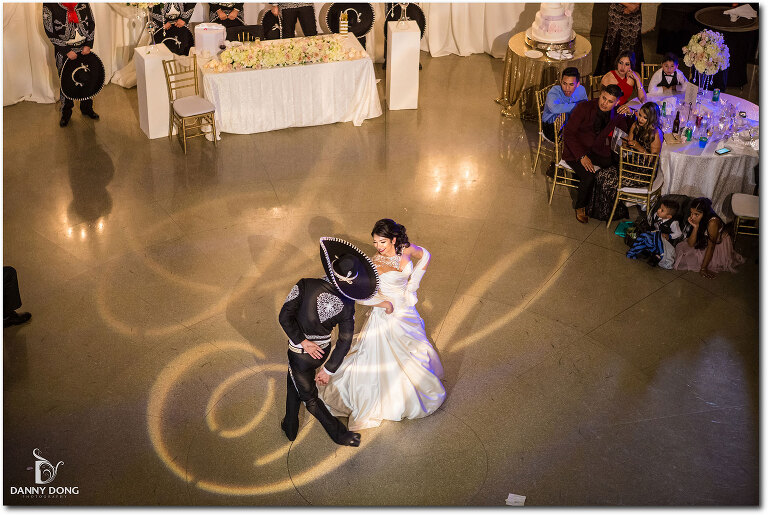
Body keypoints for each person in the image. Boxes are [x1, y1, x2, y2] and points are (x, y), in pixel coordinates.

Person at [318, 219, 446, 431]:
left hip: (405, 309)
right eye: (375, 242)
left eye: (382, 242)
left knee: (415, 348)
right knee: (379, 355)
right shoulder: (374, 263)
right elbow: (358, 295)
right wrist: (383, 303)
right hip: (385, 315)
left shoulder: (405, 249)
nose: (378, 247)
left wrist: (413, 286)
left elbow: (425, 255)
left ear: (394, 240)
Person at [279, 237, 380, 447]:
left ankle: (339, 434)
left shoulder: (305, 284)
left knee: (310, 398)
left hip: (299, 354)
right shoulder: (348, 304)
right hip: (322, 353)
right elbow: (344, 341)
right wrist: (329, 370)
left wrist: (303, 341)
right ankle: (289, 423)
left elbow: (284, 317)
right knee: (294, 382)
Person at [562, 84, 633, 223]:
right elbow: (569, 134)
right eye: (603, 98)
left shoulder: (616, 112)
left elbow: (626, 127)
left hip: (596, 149)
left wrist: (630, 113)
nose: (604, 103)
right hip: (576, 150)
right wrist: (582, 156)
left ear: (617, 102)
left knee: (613, 164)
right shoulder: (584, 107)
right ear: (600, 94)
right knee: (588, 175)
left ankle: (599, 199)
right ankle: (581, 206)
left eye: (610, 101)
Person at [587, 101, 662, 222]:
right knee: (599, 175)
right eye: (640, 115)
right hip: (629, 164)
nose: (641, 119)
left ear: (652, 118)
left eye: (645, 117)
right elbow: (628, 145)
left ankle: (616, 211)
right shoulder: (635, 125)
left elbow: (653, 160)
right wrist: (625, 144)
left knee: (607, 182)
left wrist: (638, 147)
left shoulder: (656, 133)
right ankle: (603, 211)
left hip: (644, 172)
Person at [42, 2, 99, 127]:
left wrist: (88, 44)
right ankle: (66, 112)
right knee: (66, 82)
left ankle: (87, 108)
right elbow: (49, 30)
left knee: (86, 78)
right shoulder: (49, 4)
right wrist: (66, 51)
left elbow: (91, 22)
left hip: (84, 48)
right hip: (64, 51)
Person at [674, 197, 745, 278]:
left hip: (717, 245)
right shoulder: (698, 219)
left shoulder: (712, 222)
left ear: (705, 213)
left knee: (687, 260)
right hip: (705, 240)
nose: (692, 217)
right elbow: (690, 244)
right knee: (680, 254)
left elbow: (711, 247)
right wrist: (695, 227)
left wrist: (703, 268)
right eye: (691, 213)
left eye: (696, 214)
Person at [626, 197, 683, 268]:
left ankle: (656, 257)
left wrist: (669, 236)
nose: (658, 210)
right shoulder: (656, 215)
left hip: (664, 241)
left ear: (668, 216)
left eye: (662, 210)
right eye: (660, 208)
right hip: (655, 234)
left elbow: (679, 233)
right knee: (645, 237)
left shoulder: (673, 223)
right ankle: (641, 250)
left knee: (658, 246)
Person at [595, 3, 644, 76]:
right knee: (613, 45)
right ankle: (612, 78)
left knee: (633, 46)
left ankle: (631, 80)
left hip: (634, 14)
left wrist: (634, 5)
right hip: (617, 12)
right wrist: (628, 5)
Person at [542, 67, 588, 142]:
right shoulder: (554, 92)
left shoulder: (581, 90)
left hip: (569, 122)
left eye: (571, 84)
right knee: (576, 139)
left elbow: (585, 108)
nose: (567, 88)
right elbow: (554, 108)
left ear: (577, 84)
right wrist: (578, 105)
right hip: (550, 126)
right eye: (564, 83)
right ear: (561, 81)